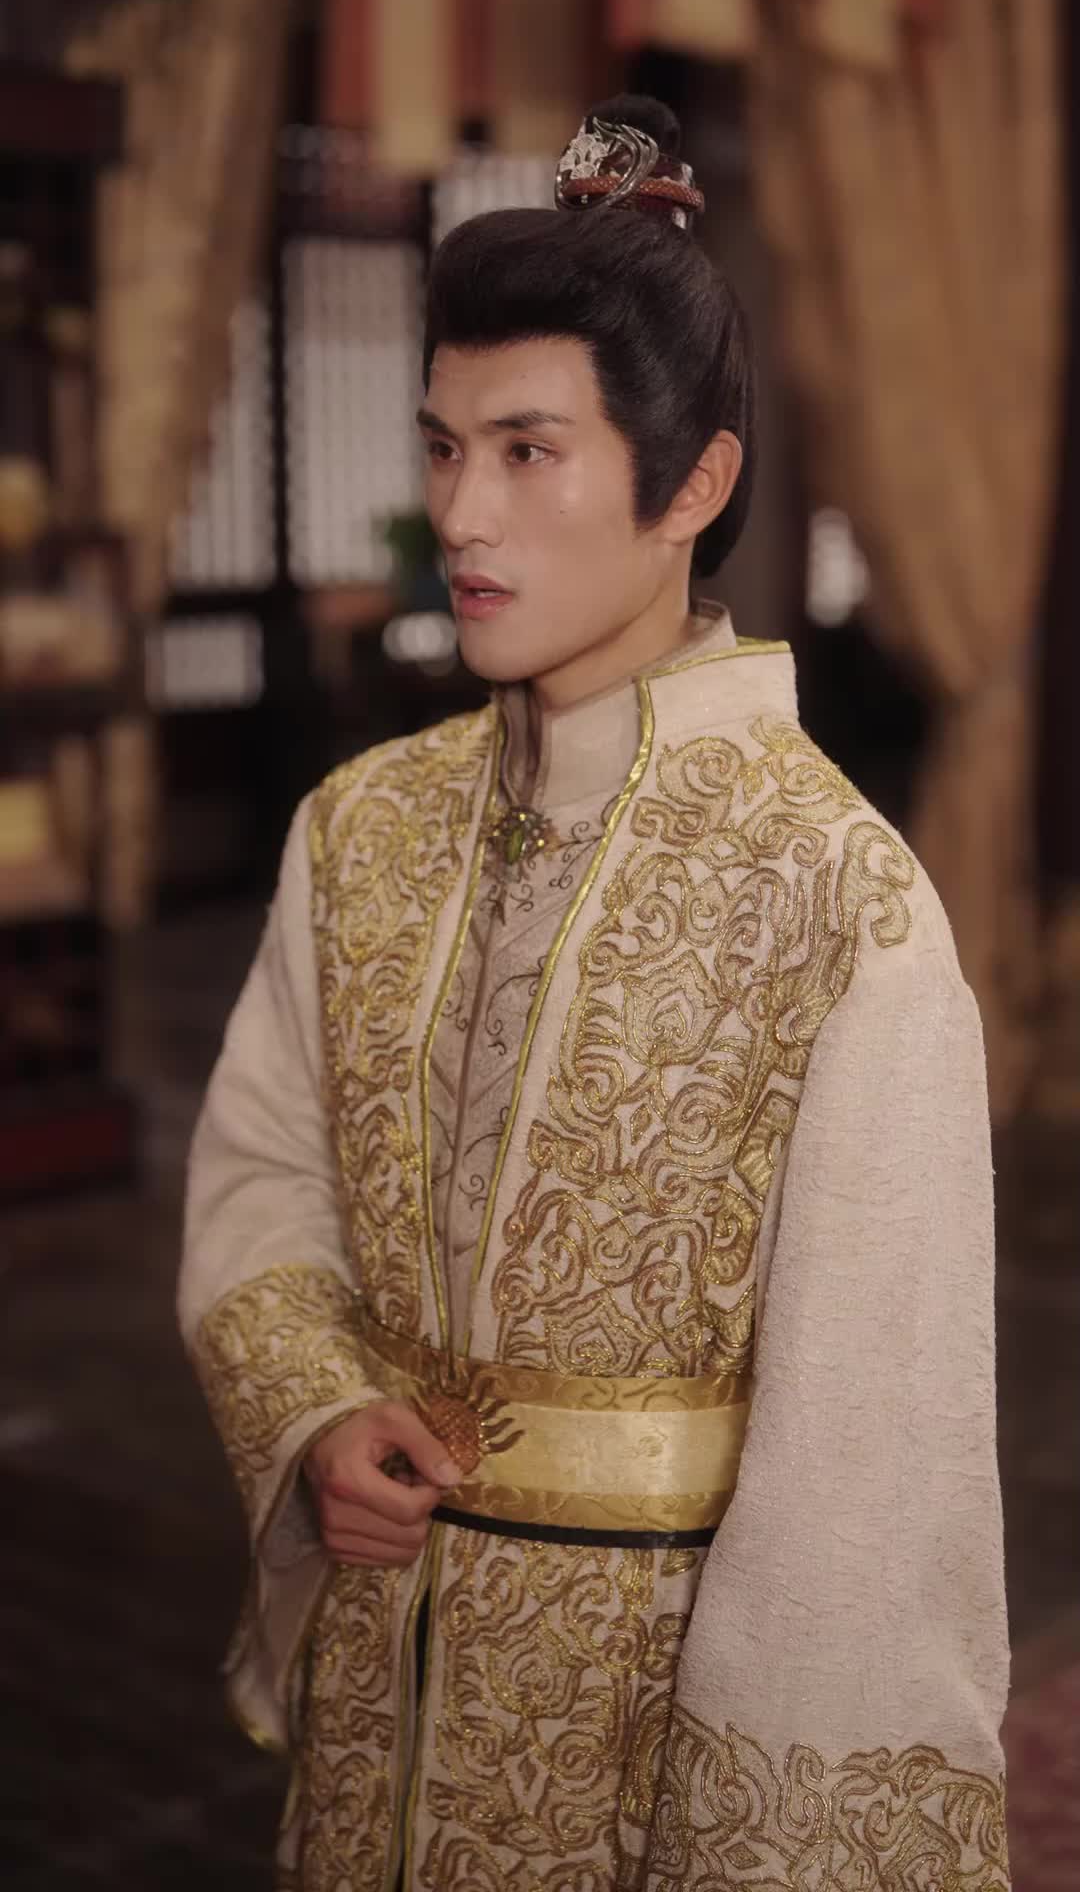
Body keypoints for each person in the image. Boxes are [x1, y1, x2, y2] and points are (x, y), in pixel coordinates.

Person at [180, 95, 1010, 1892]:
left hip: (646, 1720)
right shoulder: (361, 829)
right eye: (443, 445)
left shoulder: (836, 894)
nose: (461, 514)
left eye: (529, 451)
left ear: (692, 486)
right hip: (376, 1670)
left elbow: (873, 1462)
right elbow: (261, 1177)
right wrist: (320, 1413)